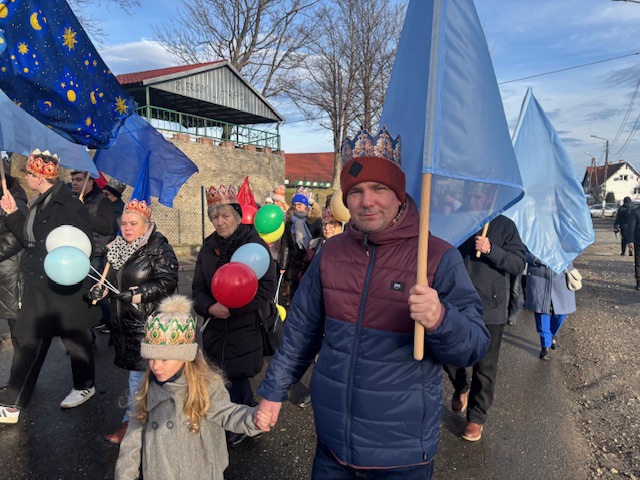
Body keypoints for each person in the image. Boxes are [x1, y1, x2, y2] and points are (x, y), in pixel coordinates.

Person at [257, 127, 490, 478]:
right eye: (356, 191)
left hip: (402, 455)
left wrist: (441, 319)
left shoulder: (436, 257)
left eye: (379, 188)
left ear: (398, 193)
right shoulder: (331, 253)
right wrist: (274, 390)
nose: (367, 201)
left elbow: (474, 346)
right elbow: (300, 331)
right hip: (333, 447)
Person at [114, 294, 272, 480]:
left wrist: (253, 418)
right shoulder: (147, 387)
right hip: (159, 471)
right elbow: (133, 437)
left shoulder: (205, 384)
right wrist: (125, 474)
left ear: (185, 357)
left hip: (200, 470)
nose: (155, 366)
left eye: (164, 359)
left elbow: (227, 413)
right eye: (151, 358)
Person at [0, 149, 98, 424]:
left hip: (64, 286)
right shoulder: (39, 202)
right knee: (31, 343)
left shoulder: (69, 204)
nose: (26, 177)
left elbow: (84, 247)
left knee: (73, 340)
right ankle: (13, 402)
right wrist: (12, 213)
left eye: (29, 173)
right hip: (41, 286)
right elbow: (30, 240)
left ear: (40, 177)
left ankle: (84, 385)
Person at [191, 184, 277, 448]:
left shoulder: (253, 244)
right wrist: (209, 307)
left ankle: (246, 424)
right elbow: (197, 287)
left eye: (225, 215)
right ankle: (233, 419)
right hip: (215, 325)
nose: (220, 222)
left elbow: (266, 287)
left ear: (238, 216)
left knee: (237, 376)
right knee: (218, 376)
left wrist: (233, 308)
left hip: (244, 324)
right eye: (214, 217)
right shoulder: (208, 246)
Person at [90, 194, 179, 444]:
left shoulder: (158, 248)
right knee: (142, 377)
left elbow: (167, 283)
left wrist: (137, 293)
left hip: (149, 324)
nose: (127, 228)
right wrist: (99, 291)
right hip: (125, 325)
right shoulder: (117, 247)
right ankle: (148, 423)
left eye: (133, 223)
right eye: (124, 223)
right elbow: (110, 282)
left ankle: (135, 425)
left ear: (145, 224)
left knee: (143, 378)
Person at [443, 185, 527, 442]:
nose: (474, 197)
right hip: (456, 303)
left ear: (492, 197)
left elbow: (518, 263)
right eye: (471, 193)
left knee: (485, 365)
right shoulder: (456, 221)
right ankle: (461, 386)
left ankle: (476, 417)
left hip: (491, 307)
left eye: (480, 194)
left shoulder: (505, 226)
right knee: (447, 353)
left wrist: (491, 250)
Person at [294, 205, 344, 409]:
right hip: (316, 309)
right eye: (325, 224)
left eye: (332, 224)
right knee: (315, 353)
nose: (327, 228)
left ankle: (333, 395)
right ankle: (315, 392)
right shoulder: (315, 245)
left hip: (337, 312)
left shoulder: (350, 251)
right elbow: (304, 269)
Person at [70, 170, 114, 333]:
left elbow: (106, 227)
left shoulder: (102, 201)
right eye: (73, 180)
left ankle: (112, 325)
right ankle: (87, 331)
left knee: (96, 293)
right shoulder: (75, 201)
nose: (75, 183)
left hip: (96, 254)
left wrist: (83, 212)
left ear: (90, 182)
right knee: (81, 295)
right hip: (78, 252)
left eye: (79, 180)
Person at [524, 254, 576, 360]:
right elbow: (525, 254)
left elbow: (577, 249)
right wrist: (541, 259)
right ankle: (545, 345)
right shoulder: (533, 241)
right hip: (539, 278)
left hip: (561, 277)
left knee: (562, 313)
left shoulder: (566, 241)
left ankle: (551, 333)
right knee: (541, 311)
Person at [0, 172, 28, 345]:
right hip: (5, 273)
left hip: (13, 274)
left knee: (19, 329)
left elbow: (18, 237)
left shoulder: (16, 202)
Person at [280, 187, 322, 302]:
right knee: (294, 291)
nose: (297, 207)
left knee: (307, 292)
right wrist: (283, 265)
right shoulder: (289, 223)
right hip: (294, 261)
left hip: (309, 261)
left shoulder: (314, 221)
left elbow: (319, 241)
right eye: (295, 204)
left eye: (300, 204)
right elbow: (286, 244)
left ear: (306, 206)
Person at [626, 205, 640, 290]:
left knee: (638, 263)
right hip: (638, 241)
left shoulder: (635, 212)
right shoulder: (635, 212)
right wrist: (630, 240)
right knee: (638, 262)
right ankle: (639, 281)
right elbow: (631, 227)